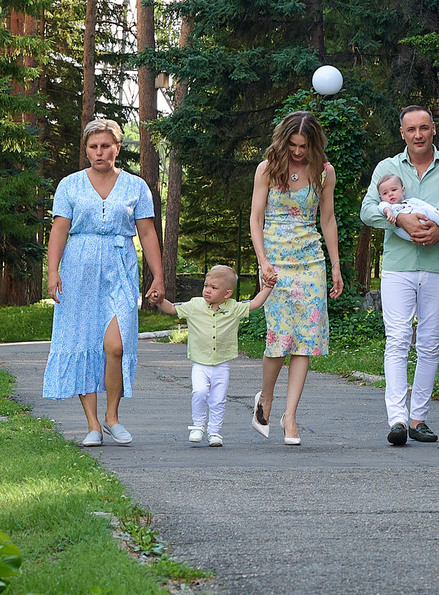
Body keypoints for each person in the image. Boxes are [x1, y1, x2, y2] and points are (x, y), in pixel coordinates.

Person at [43, 117, 166, 445]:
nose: (99, 152)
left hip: (119, 267)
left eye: (105, 146)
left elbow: (147, 231)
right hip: (78, 268)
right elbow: (59, 229)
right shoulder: (69, 185)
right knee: (83, 341)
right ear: (86, 149)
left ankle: (113, 416)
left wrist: (158, 275)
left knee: (117, 345)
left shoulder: (136, 186)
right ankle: (93, 425)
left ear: (117, 148)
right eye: (93, 147)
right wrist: (52, 272)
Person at [360, 106, 439, 447]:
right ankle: (396, 419)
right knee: (397, 340)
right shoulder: (387, 168)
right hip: (399, 266)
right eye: (411, 129)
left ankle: (418, 419)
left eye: (424, 127)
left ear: (434, 129)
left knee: (428, 343)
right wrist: (400, 220)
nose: (418, 134)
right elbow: (368, 210)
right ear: (402, 133)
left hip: (438, 266)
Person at [249, 109, 344, 446]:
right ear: (284, 140)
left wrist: (334, 264)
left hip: (310, 262)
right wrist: (263, 262)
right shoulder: (267, 168)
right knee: (278, 338)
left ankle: (290, 416)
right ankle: (267, 397)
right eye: (293, 145)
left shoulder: (324, 172)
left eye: (304, 145)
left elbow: (328, 219)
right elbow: (256, 218)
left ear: (314, 143)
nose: (298, 152)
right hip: (274, 261)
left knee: (305, 339)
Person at [150, 264, 269, 446]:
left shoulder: (234, 308)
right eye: (206, 285)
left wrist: (268, 287)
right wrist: (159, 301)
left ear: (227, 294)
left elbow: (255, 303)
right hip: (200, 363)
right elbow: (173, 309)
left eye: (214, 288)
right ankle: (198, 426)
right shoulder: (195, 305)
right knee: (199, 392)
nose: (207, 290)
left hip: (222, 364)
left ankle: (215, 432)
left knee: (218, 399)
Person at [375, 173, 439, 245]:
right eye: (385, 193)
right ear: (381, 198)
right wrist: (390, 213)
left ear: (403, 190)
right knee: (425, 211)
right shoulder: (389, 206)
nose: (390, 194)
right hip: (406, 231)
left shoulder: (411, 201)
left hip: (425, 222)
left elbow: (426, 205)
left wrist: (437, 213)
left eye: (393, 190)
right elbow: (383, 207)